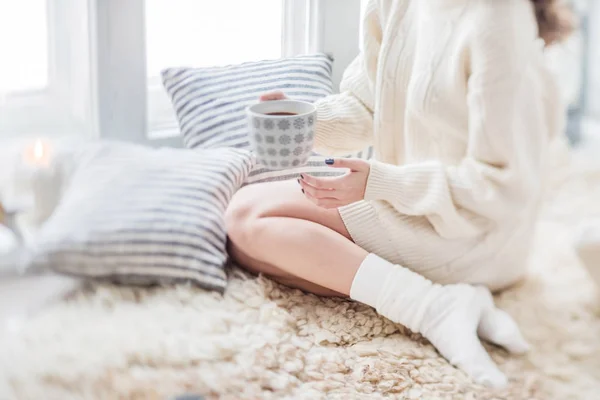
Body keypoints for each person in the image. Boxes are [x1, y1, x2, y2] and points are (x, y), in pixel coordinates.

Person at [226, 0, 574, 388]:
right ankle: (442, 301)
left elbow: (503, 189)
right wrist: (307, 123)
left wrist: (382, 183)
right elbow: (369, 106)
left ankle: (432, 308)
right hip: (415, 199)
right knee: (244, 242)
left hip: (477, 230)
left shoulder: (499, 19)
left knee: (247, 220)